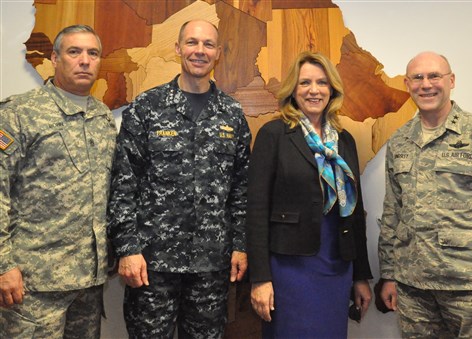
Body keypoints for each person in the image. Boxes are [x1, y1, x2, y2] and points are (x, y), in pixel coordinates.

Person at [107, 20, 251, 339]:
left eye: (208, 44)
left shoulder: (232, 114)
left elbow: (241, 189)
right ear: (178, 48)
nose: (199, 50)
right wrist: (127, 248)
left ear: (218, 54)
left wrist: (241, 245)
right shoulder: (147, 107)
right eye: (192, 42)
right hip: (151, 264)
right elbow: (123, 183)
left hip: (211, 266)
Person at [246, 51, 373, 338]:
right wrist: (260, 278)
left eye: (322, 83)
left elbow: (355, 212)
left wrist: (360, 275)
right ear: (293, 89)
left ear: (332, 90)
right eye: (305, 83)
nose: (314, 90)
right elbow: (255, 210)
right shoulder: (274, 134)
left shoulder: (344, 140)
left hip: (337, 264)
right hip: (289, 268)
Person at [0, 25, 116, 338]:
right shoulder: (20, 113)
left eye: (93, 53)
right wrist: (2, 265)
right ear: (54, 58)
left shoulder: (103, 118)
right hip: (33, 284)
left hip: (88, 283)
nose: (85, 61)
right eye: (74, 52)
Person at [379, 51, 472, 338]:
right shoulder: (400, 142)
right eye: (418, 78)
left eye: (434, 76)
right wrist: (388, 274)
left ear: (451, 80)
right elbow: (392, 213)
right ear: (407, 84)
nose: (426, 84)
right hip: (414, 289)